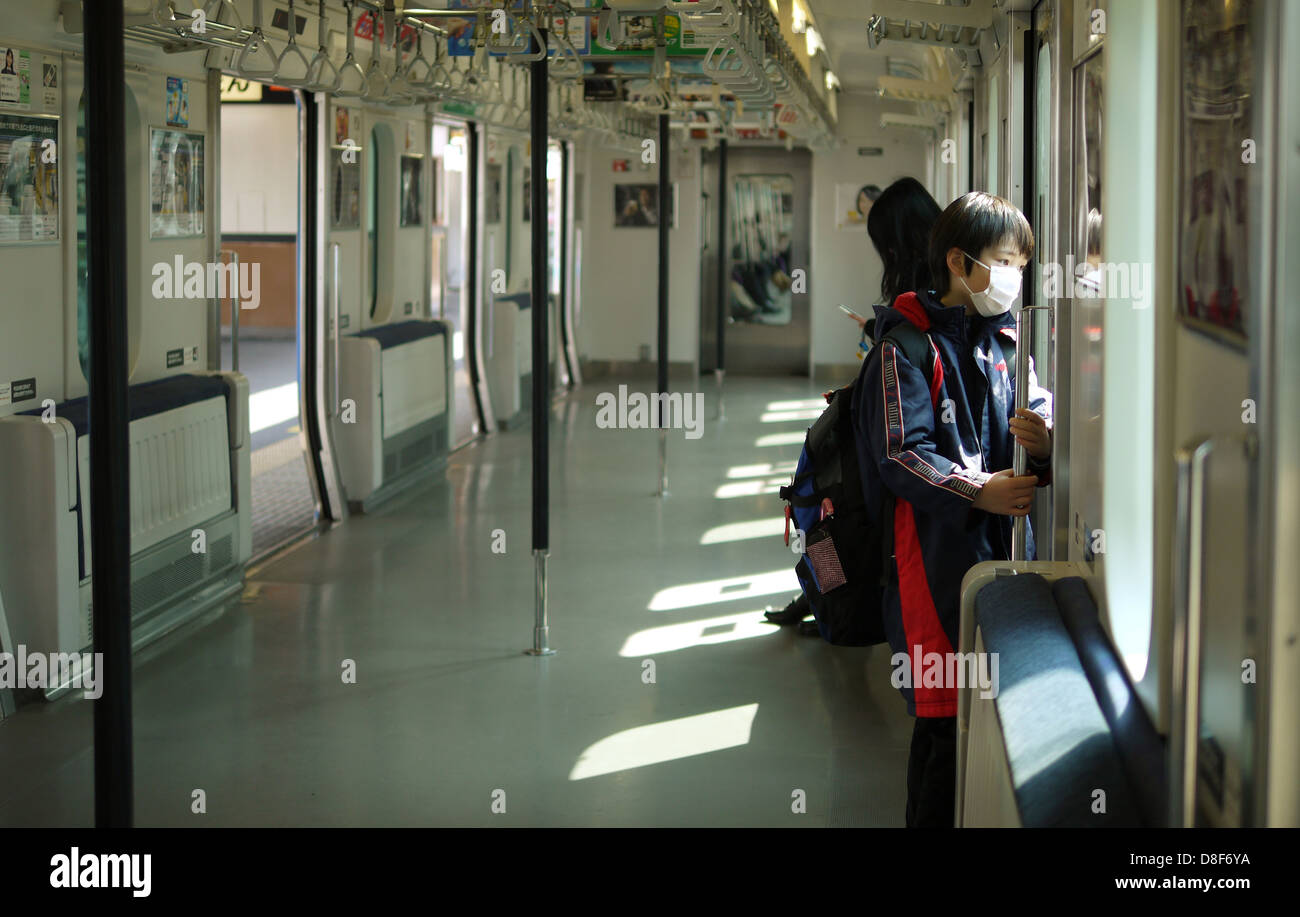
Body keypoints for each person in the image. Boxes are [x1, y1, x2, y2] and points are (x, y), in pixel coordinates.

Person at [852, 191, 1053, 827]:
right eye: (1003, 261)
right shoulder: (904, 349)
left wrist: (1044, 445)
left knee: (981, 715)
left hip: (995, 551)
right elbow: (898, 455)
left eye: (1022, 263)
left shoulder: (1008, 344)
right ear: (959, 264)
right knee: (942, 724)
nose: (1014, 278)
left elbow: (1038, 409)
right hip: (928, 557)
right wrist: (978, 490)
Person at [767, 178, 942, 632]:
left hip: (892, 423)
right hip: (877, 410)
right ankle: (819, 593)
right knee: (818, 497)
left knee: (826, 503)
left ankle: (830, 599)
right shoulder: (927, 283)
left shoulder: (932, 288)